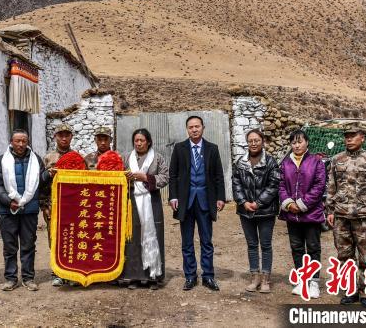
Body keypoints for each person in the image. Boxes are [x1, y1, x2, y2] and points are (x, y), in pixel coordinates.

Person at [326, 124, 366, 308]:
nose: (349, 139)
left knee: (365, 255)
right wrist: (330, 210)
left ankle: (365, 291)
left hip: (364, 216)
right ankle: (350, 290)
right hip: (341, 216)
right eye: (347, 136)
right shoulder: (337, 159)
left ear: (362, 138)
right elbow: (331, 186)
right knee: (344, 255)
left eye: (353, 136)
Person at [0, 129, 53, 291]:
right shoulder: (1, 161)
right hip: (8, 211)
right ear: (11, 142)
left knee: (28, 245)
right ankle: (11, 278)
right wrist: (8, 201)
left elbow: (40, 182)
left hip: (29, 211)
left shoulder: (35, 160)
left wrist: (48, 175)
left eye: (24, 141)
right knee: (10, 246)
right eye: (17, 141)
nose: (21, 144)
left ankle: (28, 278)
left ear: (28, 142)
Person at [169, 115, 226, 291]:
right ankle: (190, 276)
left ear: (203, 128)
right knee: (187, 242)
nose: (194, 129)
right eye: (191, 127)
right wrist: (173, 196)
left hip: (205, 201)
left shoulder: (212, 148)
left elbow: (218, 175)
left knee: (206, 241)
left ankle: (208, 276)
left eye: (197, 126)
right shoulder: (179, 148)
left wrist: (220, 197)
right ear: (187, 129)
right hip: (185, 202)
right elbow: (173, 175)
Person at [279, 129, 326, 299]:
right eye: (293, 142)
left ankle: (314, 283)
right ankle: (301, 280)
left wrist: (301, 204)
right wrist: (289, 203)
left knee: (313, 248)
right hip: (292, 215)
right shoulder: (286, 163)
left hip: (311, 214)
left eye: (300, 142)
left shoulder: (316, 162)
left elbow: (319, 186)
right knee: (297, 248)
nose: (297, 145)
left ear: (307, 142)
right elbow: (281, 185)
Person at [232, 129, 280, 293]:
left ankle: (266, 279)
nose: (253, 143)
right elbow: (236, 184)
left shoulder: (271, 162)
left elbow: (273, 186)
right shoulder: (240, 162)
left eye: (257, 140)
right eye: (250, 141)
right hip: (246, 211)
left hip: (266, 211)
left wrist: (258, 203)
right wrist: (244, 202)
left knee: (265, 245)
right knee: (252, 245)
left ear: (262, 141)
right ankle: (255, 277)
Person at [120, 128, 168, 289]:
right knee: (132, 238)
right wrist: (126, 177)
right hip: (131, 201)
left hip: (151, 202)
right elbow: (118, 175)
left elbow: (165, 177)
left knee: (153, 236)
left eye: (142, 140)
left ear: (148, 142)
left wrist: (146, 177)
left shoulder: (158, 158)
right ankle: (133, 276)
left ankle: (153, 277)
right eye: (136, 140)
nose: (139, 143)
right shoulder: (126, 158)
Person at [41, 123, 83, 287]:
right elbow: (42, 184)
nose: (64, 138)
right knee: (55, 238)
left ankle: (72, 272)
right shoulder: (48, 158)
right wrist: (44, 206)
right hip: (53, 205)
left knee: (73, 237)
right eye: (60, 135)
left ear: (71, 137)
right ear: (55, 137)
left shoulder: (78, 158)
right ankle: (57, 272)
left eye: (67, 135)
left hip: (73, 206)